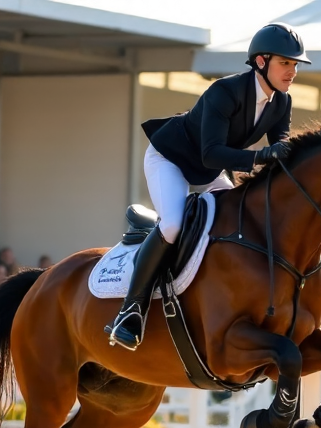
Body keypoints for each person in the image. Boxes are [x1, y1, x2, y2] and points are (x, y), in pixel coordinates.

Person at [105, 23, 309, 351]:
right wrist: (260, 156)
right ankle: (131, 310)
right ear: (261, 62)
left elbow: (280, 151)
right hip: (171, 159)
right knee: (173, 225)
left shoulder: (281, 102)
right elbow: (211, 153)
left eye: (295, 64)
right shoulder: (224, 92)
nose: (292, 71)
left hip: (209, 171)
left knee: (240, 221)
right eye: (285, 63)